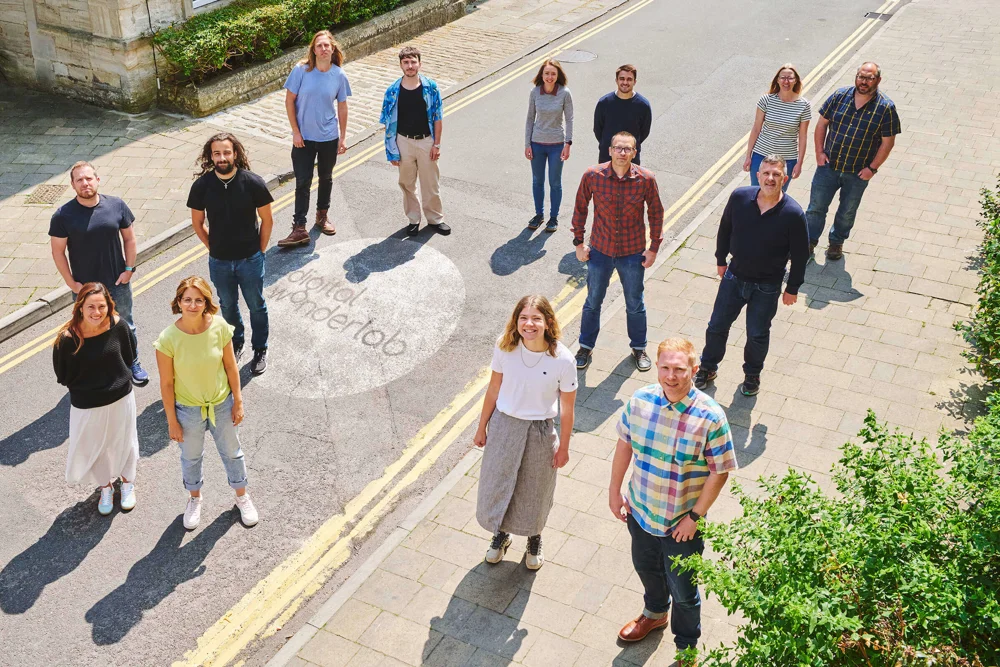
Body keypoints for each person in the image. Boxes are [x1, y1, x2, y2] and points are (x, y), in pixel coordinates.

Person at [609, 337, 737, 660]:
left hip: (681, 526)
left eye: (679, 369)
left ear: (694, 370)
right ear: (657, 366)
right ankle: (654, 614)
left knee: (683, 592)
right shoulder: (639, 401)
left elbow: (719, 472)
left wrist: (694, 517)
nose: (671, 376)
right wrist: (614, 491)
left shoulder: (711, 417)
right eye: (664, 367)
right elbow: (624, 443)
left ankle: (686, 648)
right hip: (639, 513)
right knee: (646, 568)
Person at [474, 295, 577, 570]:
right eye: (523, 318)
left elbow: (567, 410)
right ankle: (501, 535)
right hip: (504, 425)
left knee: (535, 489)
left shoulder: (564, 360)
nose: (529, 324)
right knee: (500, 482)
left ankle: (534, 538)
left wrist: (564, 447)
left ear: (547, 322)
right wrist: (481, 426)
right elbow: (493, 389)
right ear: (516, 320)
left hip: (540, 430)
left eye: (536, 318)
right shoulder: (504, 347)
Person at [694, 155, 809, 397]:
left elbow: (800, 255)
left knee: (757, 334)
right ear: (757, 175)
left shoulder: (794, 214)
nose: (770, 178)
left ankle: (752, 375)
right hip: (734, 277)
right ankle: (707, 367)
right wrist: (720, 259)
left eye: (776, 174)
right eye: (766, 173)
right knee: (716, 326)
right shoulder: (739, 198)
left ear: (784, 179)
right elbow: (725, 228)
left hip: (767, 286)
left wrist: (793, 288)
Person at [153, 276, 258, 530]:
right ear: (178, 302)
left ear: (206, 302)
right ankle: (194, 499)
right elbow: (167, 385)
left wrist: (238, 401)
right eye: (187, 300)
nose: (192, 305)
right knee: (191, 458)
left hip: (222, 403)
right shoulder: (167, 339)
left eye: (198, 300)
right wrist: (172, 422)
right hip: (188, 411)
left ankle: (242, 496)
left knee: (233, 453)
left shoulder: (220, 327)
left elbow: (231, 366)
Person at [49, 161, 148, 386]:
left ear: (97, 180)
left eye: (88, 178)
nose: (85, 183)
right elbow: (57, 252)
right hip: (86, 289)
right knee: (88, 329)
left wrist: (129, 270)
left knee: (126, 324)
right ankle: (96, 370)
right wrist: (72, 284)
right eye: (79, 180)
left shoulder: (116, 205)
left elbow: (130, 239)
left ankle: (132, 363)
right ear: (73, 185)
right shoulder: (63, 216)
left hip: (117, 282)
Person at [572, 131, 664, 372]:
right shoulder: (593, 175)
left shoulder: (646, 179)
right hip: (600, 250)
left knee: (635, 303)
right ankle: (585, 346)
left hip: (632, 252)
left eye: (627, 149)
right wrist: (579, 243)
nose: (622, 153)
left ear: (635, 152)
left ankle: (639, 347)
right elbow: (580, 207)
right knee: (593, 301)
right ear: (610, 150)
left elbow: (656, 213)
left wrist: (653, 248)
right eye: (618, 148)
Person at [188, 132, 274, 376]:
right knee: (227, 306)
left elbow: (267, 220)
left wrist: (260, 251)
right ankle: (236, 343)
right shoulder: (202, 186)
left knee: (256, 305)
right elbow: (197, 223)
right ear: (211, 156)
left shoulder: (253, 182)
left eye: (226, 152)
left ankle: (260, 348)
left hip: (250, 259)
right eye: (217, 153)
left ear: (235, 153)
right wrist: (212, 247)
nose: (222, 157)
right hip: (220, 262)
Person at [53, 283, 140, 516]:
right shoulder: (67, 339)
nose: (97, 312)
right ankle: (106, 487)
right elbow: (63, 375)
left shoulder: (119, 326)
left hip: (121, 397)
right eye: (90, 306)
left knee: (126, 441)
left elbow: (130, 356)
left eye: (102, 306)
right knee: (96, 447)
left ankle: (128, 482)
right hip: (87, 405)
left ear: (109, 306)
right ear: (80, 307)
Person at [806, 62, 901, 260]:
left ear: (878, 80)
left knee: (847, 211)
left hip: (857, 173)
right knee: (816, 208)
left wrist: (872, 169)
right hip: (828, 167)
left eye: (869, 78)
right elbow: (822, 123)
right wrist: (819, 152)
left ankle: (836, 242)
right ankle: (809, 242)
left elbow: (888, 143)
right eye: (861, 76)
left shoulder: (886, 108)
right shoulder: (839, 96)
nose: (863, 82)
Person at [277, 30, 352, 247]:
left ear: (333, 48)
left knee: (326, 178)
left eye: (327, 45)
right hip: (304, 139)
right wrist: (295, 131)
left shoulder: (339, 75)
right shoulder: (301, 71)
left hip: (329, 136)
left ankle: (322, 217)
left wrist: (343, 137)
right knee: (302, 182)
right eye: (319, 45)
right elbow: (289, 101)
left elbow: (343, 106)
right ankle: (299, 227)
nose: (323, 49)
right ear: (313, 49)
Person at [380, 46, 448, 237]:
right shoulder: (392, 91)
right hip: (403, 142)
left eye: (413, 62)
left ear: (419, 63)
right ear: (401, 65)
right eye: (406, 62)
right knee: (407, 183)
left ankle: (435, 219)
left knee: (431, 183)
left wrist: (437, 144)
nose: (410, 66)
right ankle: (413, 219)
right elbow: (387, 123)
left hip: (426, 141)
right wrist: (391, 150)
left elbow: (437, 117)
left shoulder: (431, 88)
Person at [743, 63, 811, 192]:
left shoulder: (804, 105)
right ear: (778, 80)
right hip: (761, 155)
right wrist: (748, 156)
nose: (786, 81)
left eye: (790, 78)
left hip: (787, 159)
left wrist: (799, 163)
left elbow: (802, 136)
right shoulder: (766, 100)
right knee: (756, 193)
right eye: (783, 77)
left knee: (778, 196)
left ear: (795, 80)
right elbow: (756, 129)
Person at [525, 59, 574, 232]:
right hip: (537, 144)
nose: (550, 77)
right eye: (547, 73)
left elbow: (569, 119)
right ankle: (539, 215)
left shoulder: (565, 93)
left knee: (555, 182)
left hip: (556, 145)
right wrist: (527, 144)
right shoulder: (534, 92)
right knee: (537, 181)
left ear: (558, 75)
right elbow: (530, 119)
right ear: (542, 75)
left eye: (553, 73)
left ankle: (553, 218)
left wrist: (568, 143)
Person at [594, 65, 652, 165]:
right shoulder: (604, 103)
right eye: (622, 79)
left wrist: (629, 146)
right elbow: (598, 129)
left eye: (629, 79)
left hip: (631, 158)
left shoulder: (643, 105)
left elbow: (644, 132)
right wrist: (610, 145)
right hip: (607, 157)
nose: (625, 82)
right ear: (616, 80)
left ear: (635, 82)